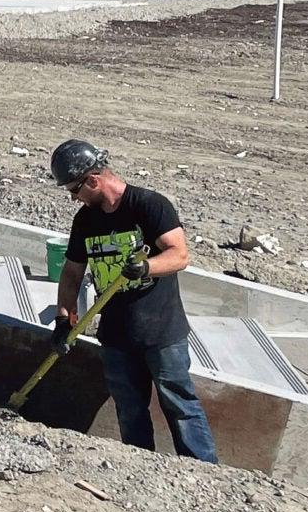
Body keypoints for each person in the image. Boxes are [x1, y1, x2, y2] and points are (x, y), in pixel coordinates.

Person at [48, 138, 218, 464]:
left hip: (161, 332)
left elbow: (179, 255)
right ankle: (140, 469)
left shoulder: (149, 205)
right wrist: (63, 320)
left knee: (180, 404)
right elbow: (71, 274)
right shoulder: (85, 221)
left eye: (74, 189)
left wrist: (146, 266)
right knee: (129, 408)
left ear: (94, 180)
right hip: (116, 336)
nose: (73, 197)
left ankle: (204, 472)